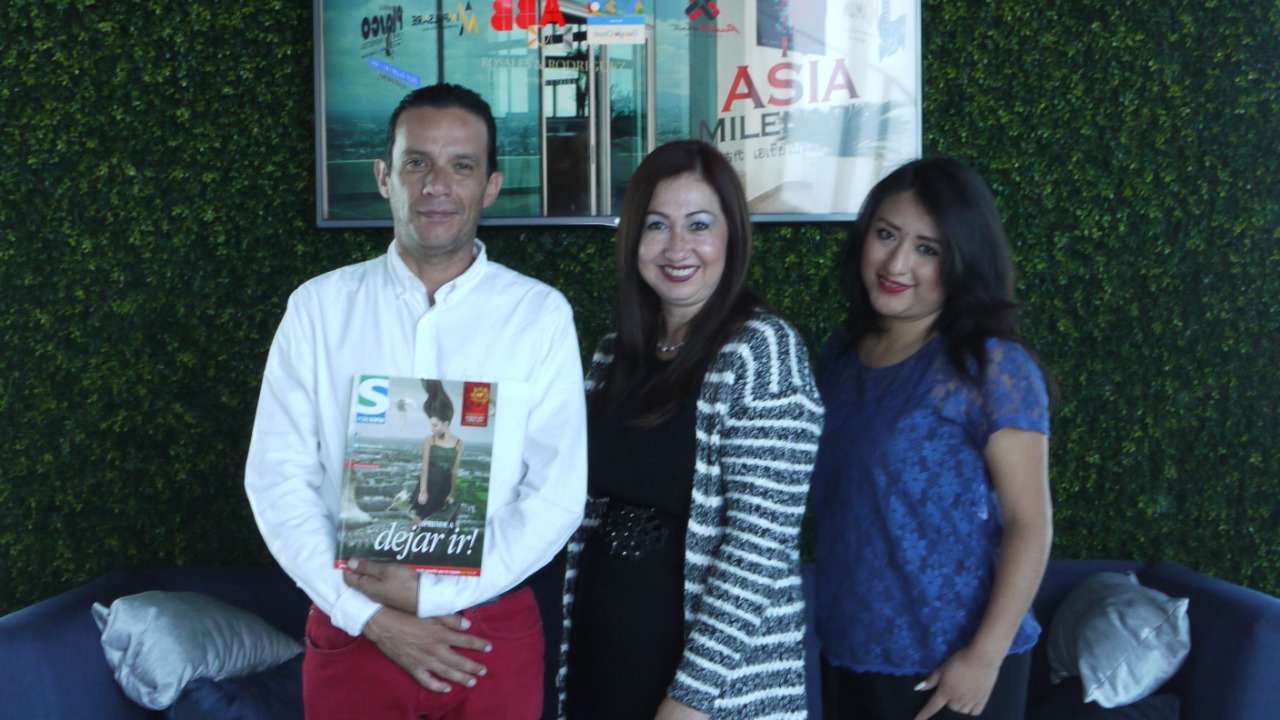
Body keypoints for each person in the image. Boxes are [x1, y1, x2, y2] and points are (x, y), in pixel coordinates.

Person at [244, 82, 587, 720]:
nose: (437, 185)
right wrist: (367, 615)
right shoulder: (317, 309)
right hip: (352, 620)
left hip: (485, 630)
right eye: (417, 162)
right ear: (384, 176)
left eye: (462, 166)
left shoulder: (539, 316)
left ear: (491, 185)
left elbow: (557, 496)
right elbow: (276, 479)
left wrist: (433, 596)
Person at [558, 140, 824, 720]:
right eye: (657, 225)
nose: (677, 247)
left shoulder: (764, 351)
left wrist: (690, 700)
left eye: (699, 224)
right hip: (599, 661)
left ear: (732, 235)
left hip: (705, 687)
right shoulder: (614, 353)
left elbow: (758, 548)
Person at [810, 156, 1054, 720]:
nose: (897, 263)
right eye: (886, 235)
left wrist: (985, 656)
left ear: (963, 259)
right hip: (848, 649)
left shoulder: (991, 366)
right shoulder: (838, 356)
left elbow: (1030, 523)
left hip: (953, 666)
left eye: (928, 248)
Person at [414, 380, 464, 524]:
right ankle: (407, 539)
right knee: (418, 518)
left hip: (443, 488)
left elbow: (454, 471)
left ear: (445, 424)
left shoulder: (459, 443)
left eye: (435, 425)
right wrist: (423, 491)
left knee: (434, 520)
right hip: (428, 486)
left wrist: (451, 493)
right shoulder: (429, 440)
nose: (432, 429)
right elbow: (425, 466)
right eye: (431, 425)